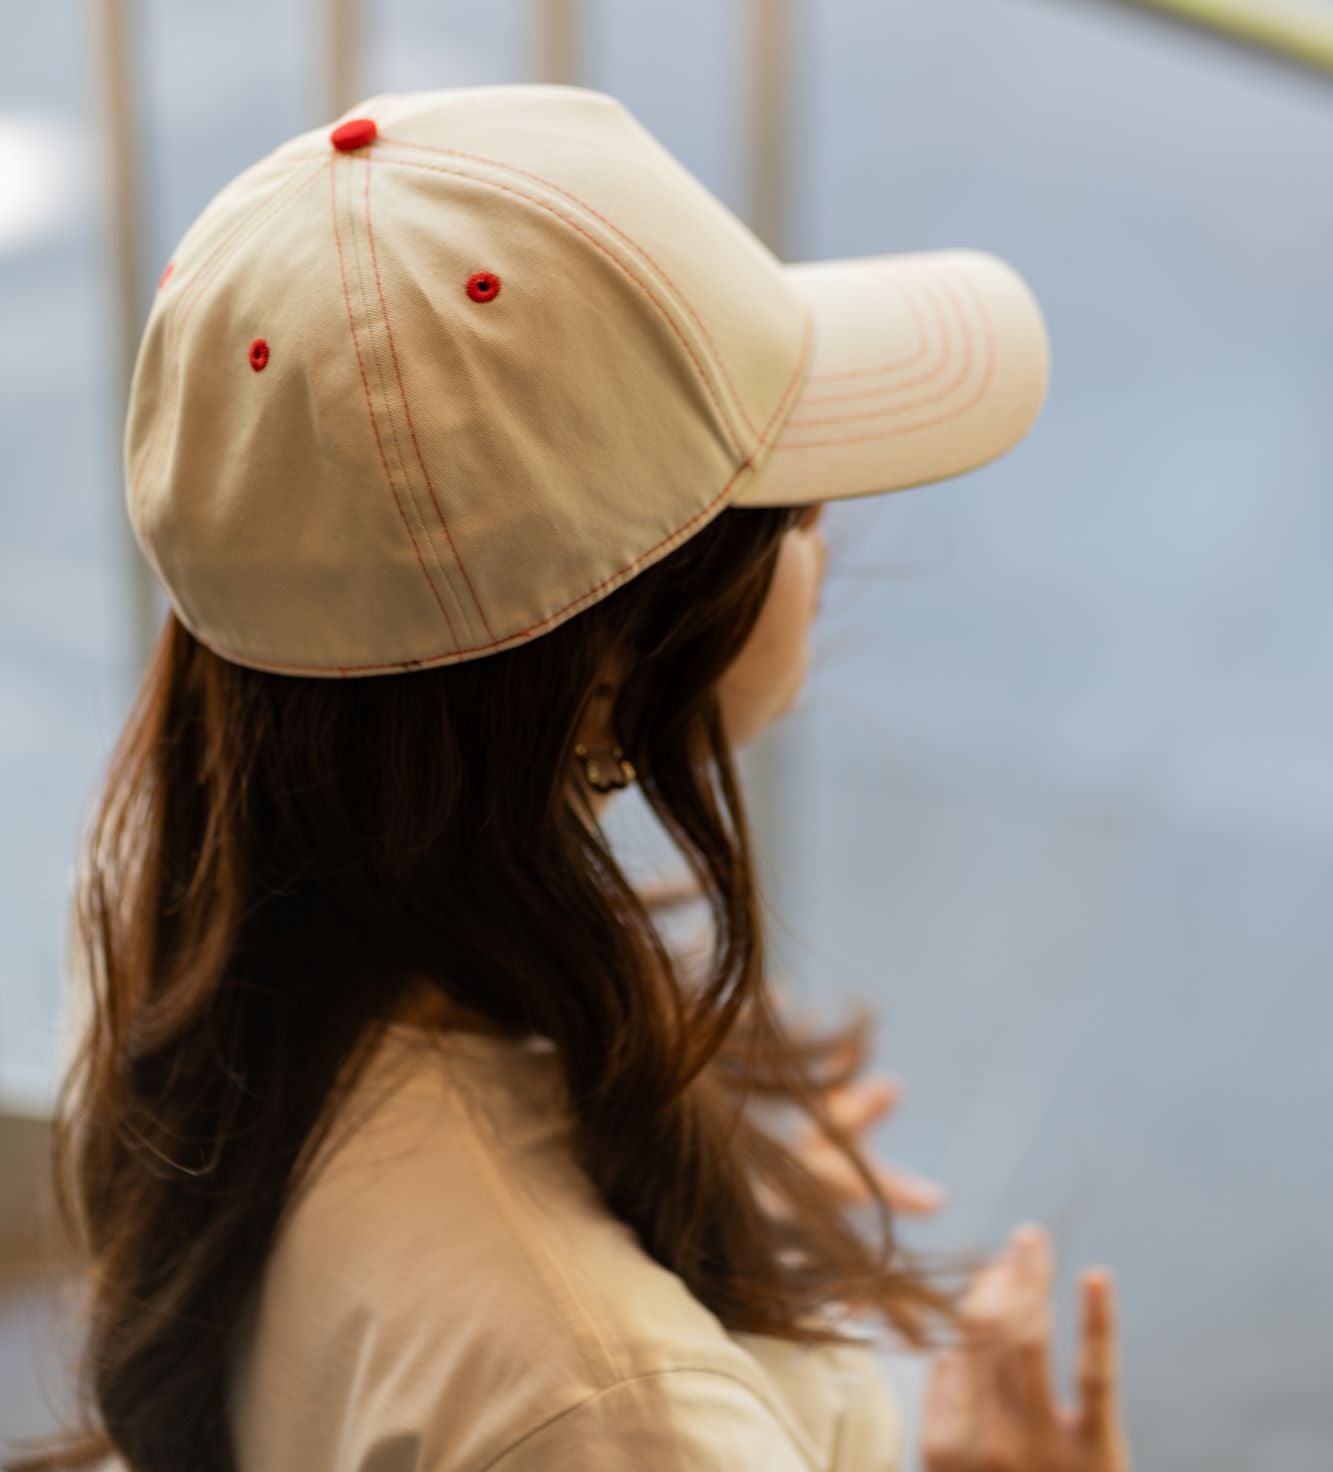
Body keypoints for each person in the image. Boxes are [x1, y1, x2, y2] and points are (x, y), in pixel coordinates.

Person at [4, 85, 1130, 1472]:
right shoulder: (610, 1410)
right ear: (596, 660)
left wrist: (715, 1218)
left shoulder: (181, 936)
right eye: (787, 501)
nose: (828, 533)